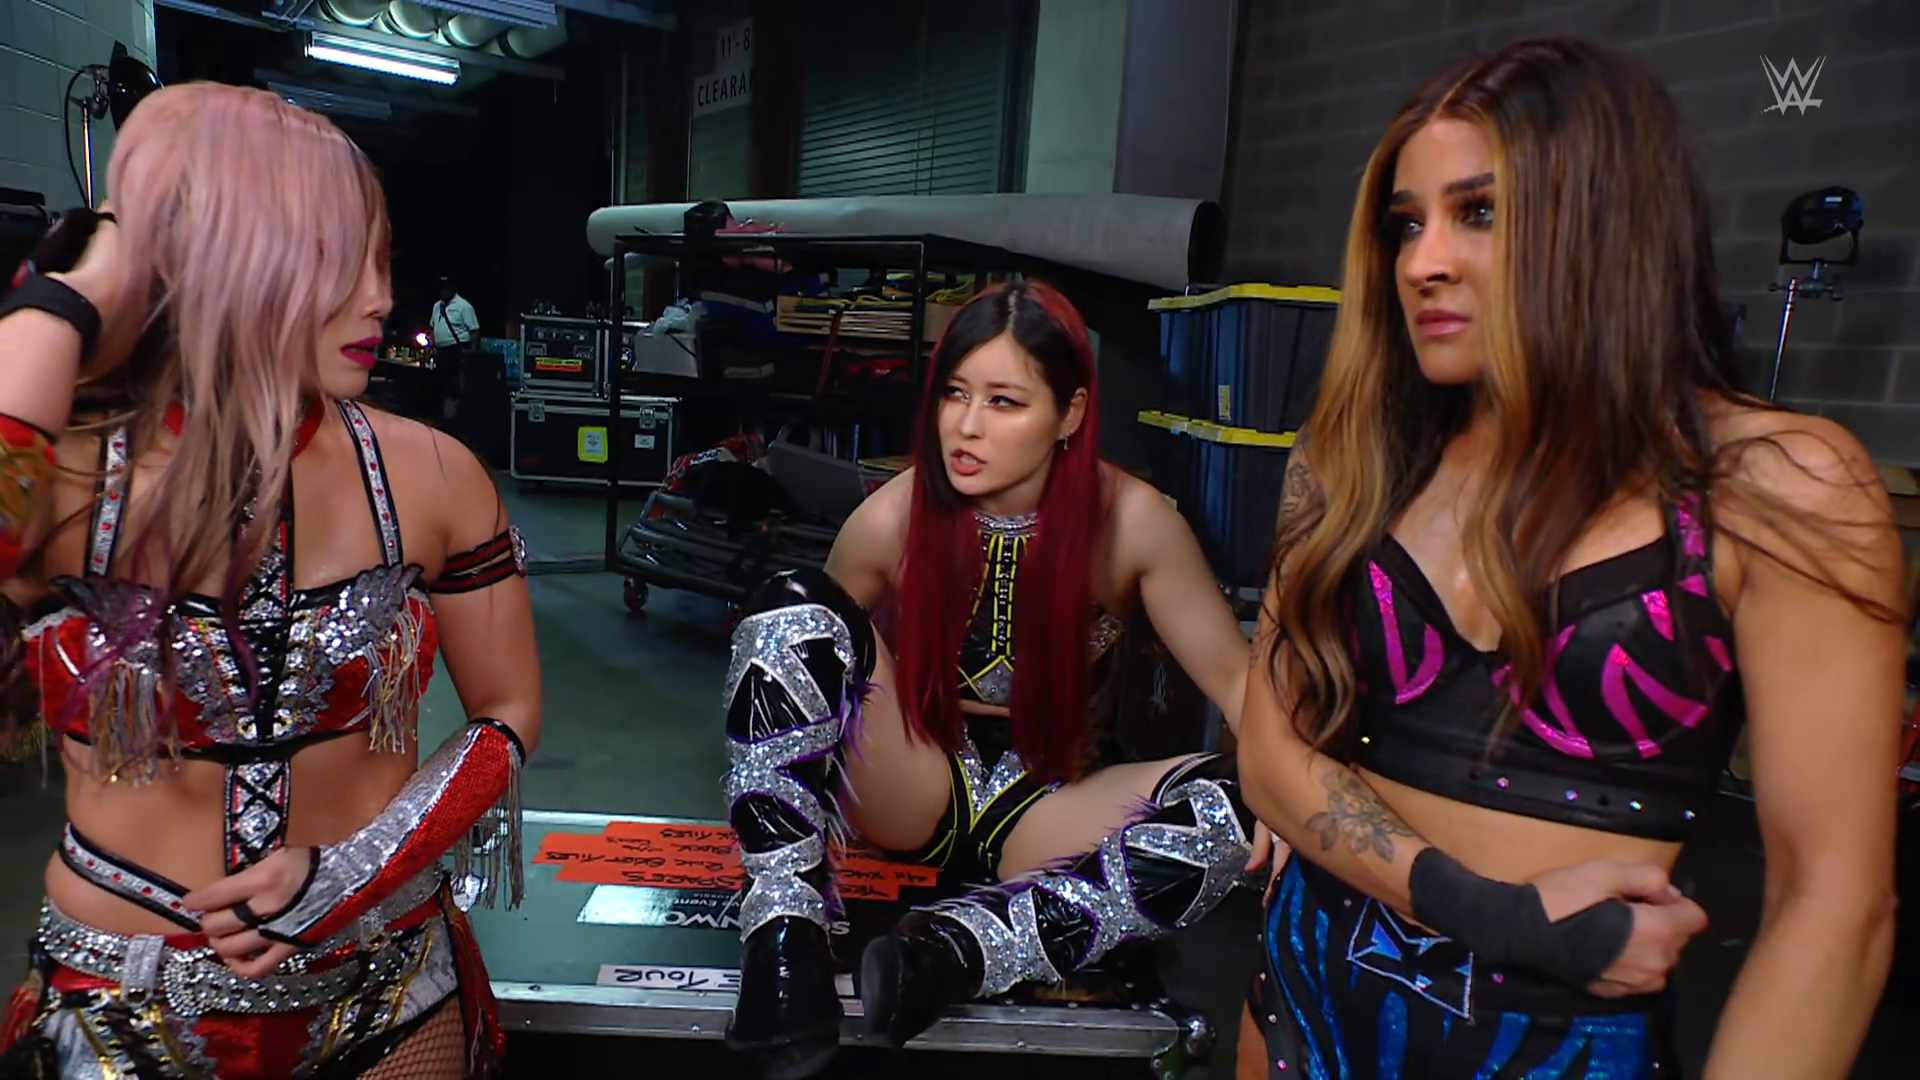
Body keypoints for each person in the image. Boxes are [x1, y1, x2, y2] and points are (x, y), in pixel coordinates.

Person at [1233, 37, 1905, 1079]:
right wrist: (1492, 913)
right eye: (1407, 223)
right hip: (1301, 1009)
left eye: (1479, 212)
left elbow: (1836, 905)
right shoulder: (1354, 455)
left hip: (1555, 1050)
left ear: (1604, 219)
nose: (1421, 261)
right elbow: (1271, 752)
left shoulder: (1776, 485)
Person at [0, 82, 540, 1079]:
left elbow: (506, 713)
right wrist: (75, 294)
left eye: (382, 259)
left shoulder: (432, 472)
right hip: (118, 1006)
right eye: (333, 261)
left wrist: (349, 874)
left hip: (386, 984)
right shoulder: (64, 474)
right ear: (214, 261)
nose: (378, 298)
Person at [719, 280, 1273, 1078]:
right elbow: (808, 664)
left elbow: (1238, 682)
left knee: (1252, 795)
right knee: (791, 603)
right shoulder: (895, 513)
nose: (967, 425)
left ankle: (955, 955)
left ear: (1070, 414)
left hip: (1054, 799)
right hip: (915, 777)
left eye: (1005, 401)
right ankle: (783, 943)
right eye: (955, 393)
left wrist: (1292, 805)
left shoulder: (1137, 521)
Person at [429, 278, 477, 418]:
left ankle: (457, 415)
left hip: (457, 350)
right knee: (442, 383)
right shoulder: (437, 306)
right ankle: (444, 414)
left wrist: (472, 352)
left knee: (455, 384)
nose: (443, 291)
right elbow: (432, 327)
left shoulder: (464, 306)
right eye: (441, 288)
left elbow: (474, 331)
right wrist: (432, 344)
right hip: (441, 351)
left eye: (446, 288)